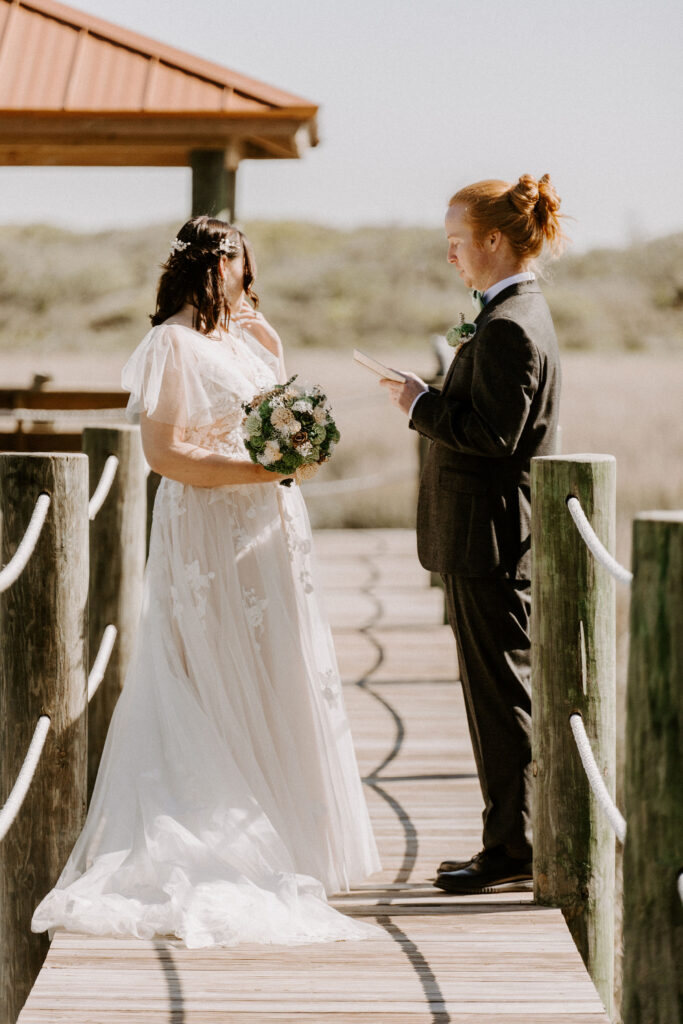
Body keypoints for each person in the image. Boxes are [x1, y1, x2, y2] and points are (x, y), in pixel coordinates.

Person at [32, 216, 380, 947]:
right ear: (199, 266)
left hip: (267, 527)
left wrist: (276, 358)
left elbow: (274, 421)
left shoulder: (243, 340)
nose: (235, 273)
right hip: (209, 528)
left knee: (273, 669)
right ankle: (214, 832)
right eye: (224, 260)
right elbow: (166, 454)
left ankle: (285, 835)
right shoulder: (170, 343)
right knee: (214, 665)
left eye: (241, 260)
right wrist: (263, 471)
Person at [381, 174, 565, 894]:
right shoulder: (511, 312)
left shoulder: (512, 325)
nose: (451, 256)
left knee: (499, 697)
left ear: (493, 240)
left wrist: (419, 404)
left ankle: (511, 845)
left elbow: (494, 435)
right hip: (486, 536)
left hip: (488, 539)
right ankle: (509, 836)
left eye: (457, 242)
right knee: (496, 692)